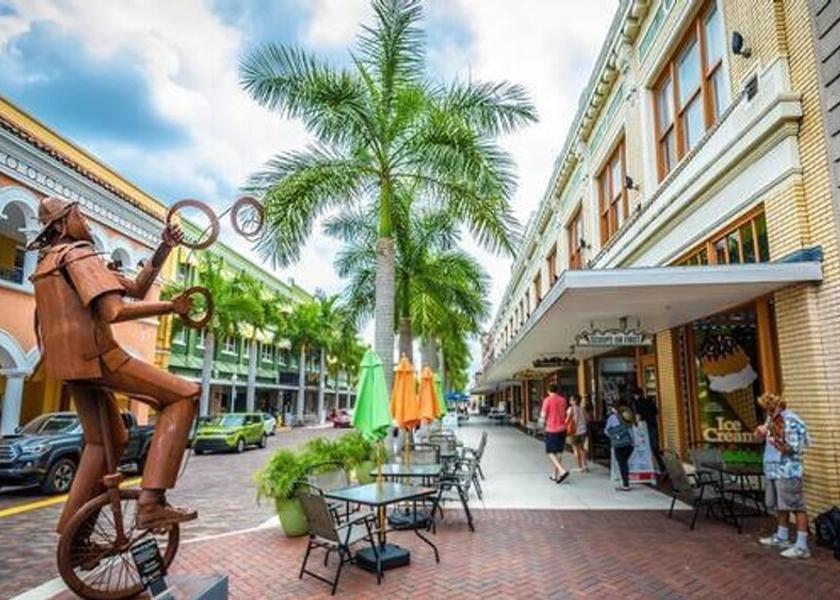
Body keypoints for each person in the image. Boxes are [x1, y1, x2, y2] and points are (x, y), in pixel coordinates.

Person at [29, 196, 200, 533]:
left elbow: (136, 288)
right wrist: (171, 307)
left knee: (107, 440)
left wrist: (165, 247)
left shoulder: (45, 265)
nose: (85, 222)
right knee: (184, 395)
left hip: (70, 367)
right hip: (100, 356)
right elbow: (114, 311)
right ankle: (152, 503)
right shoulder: (78, 254)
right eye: (77, 215)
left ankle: (76, 538)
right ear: (62, 224)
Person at [756, 393, 812, 559]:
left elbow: (794, 447)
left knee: (797, 506)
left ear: (778, 406)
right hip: (773, 469)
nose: (768, 412)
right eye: (766, 410)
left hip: (788, 470)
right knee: (781, 506)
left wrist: (777, 441)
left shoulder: (791, 421)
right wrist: (760, 433)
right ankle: (782, 537)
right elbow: (760, 439)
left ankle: (802, 546)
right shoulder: (772, 420)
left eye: (770, 409)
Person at [630, 387, 666, 474]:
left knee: (644, 446)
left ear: (635, 395)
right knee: (655, 447)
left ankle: (648, 466)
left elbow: (638, 415)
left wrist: (635, 424)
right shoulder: (650, 401)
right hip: (653, 425)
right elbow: (656, 413)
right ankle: (662, 467)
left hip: (645, 427)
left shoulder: (637, 402)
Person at [540, 384, 569, 484]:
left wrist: (542, 424)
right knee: (559, 452)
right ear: (557, 390)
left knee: (550, 452)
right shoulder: (563, 400)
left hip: (551, 429)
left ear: (548, 391)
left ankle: (562, 470)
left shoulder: (547, 400)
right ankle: (555, 475)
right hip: (562, 429)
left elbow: (543, 415)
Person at [604, 399, 635, 491]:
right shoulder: (628, 415)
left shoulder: (612, 418)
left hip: (619, 444)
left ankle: (626, 484)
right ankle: (626, 482)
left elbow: (606, 431)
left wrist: (615, 436)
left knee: (622, 463)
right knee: (624, 462)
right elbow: (631, 429)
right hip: (629, 443)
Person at [566, 394, 588, 472]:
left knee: (576, 449)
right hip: (583, 431)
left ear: (575, 401)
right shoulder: (583, 409)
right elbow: (587, 419)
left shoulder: (570, 409)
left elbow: (567, 420)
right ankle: (585, 465)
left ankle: (579, 467)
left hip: (574, 432)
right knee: (582, 448)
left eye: (571, 399)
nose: (570, 400)